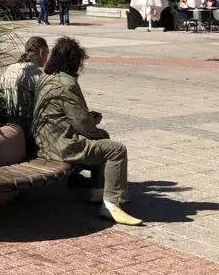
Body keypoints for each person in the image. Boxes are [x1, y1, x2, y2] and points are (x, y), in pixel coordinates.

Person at [33, 37, 141, 226]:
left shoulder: (45, 77)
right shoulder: (67, 83)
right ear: (74, 62)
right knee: (116, 150)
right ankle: (111, 205)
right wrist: (93, 121)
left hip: (44, 140)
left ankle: (99, 192)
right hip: (61, 145)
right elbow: (83, 124)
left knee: (103, 140)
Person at [0, 36, 49, 153]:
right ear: (42, 52)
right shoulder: (35, 73)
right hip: (26, 130)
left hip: (8, 123)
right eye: (47, 53)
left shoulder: (10, 68)